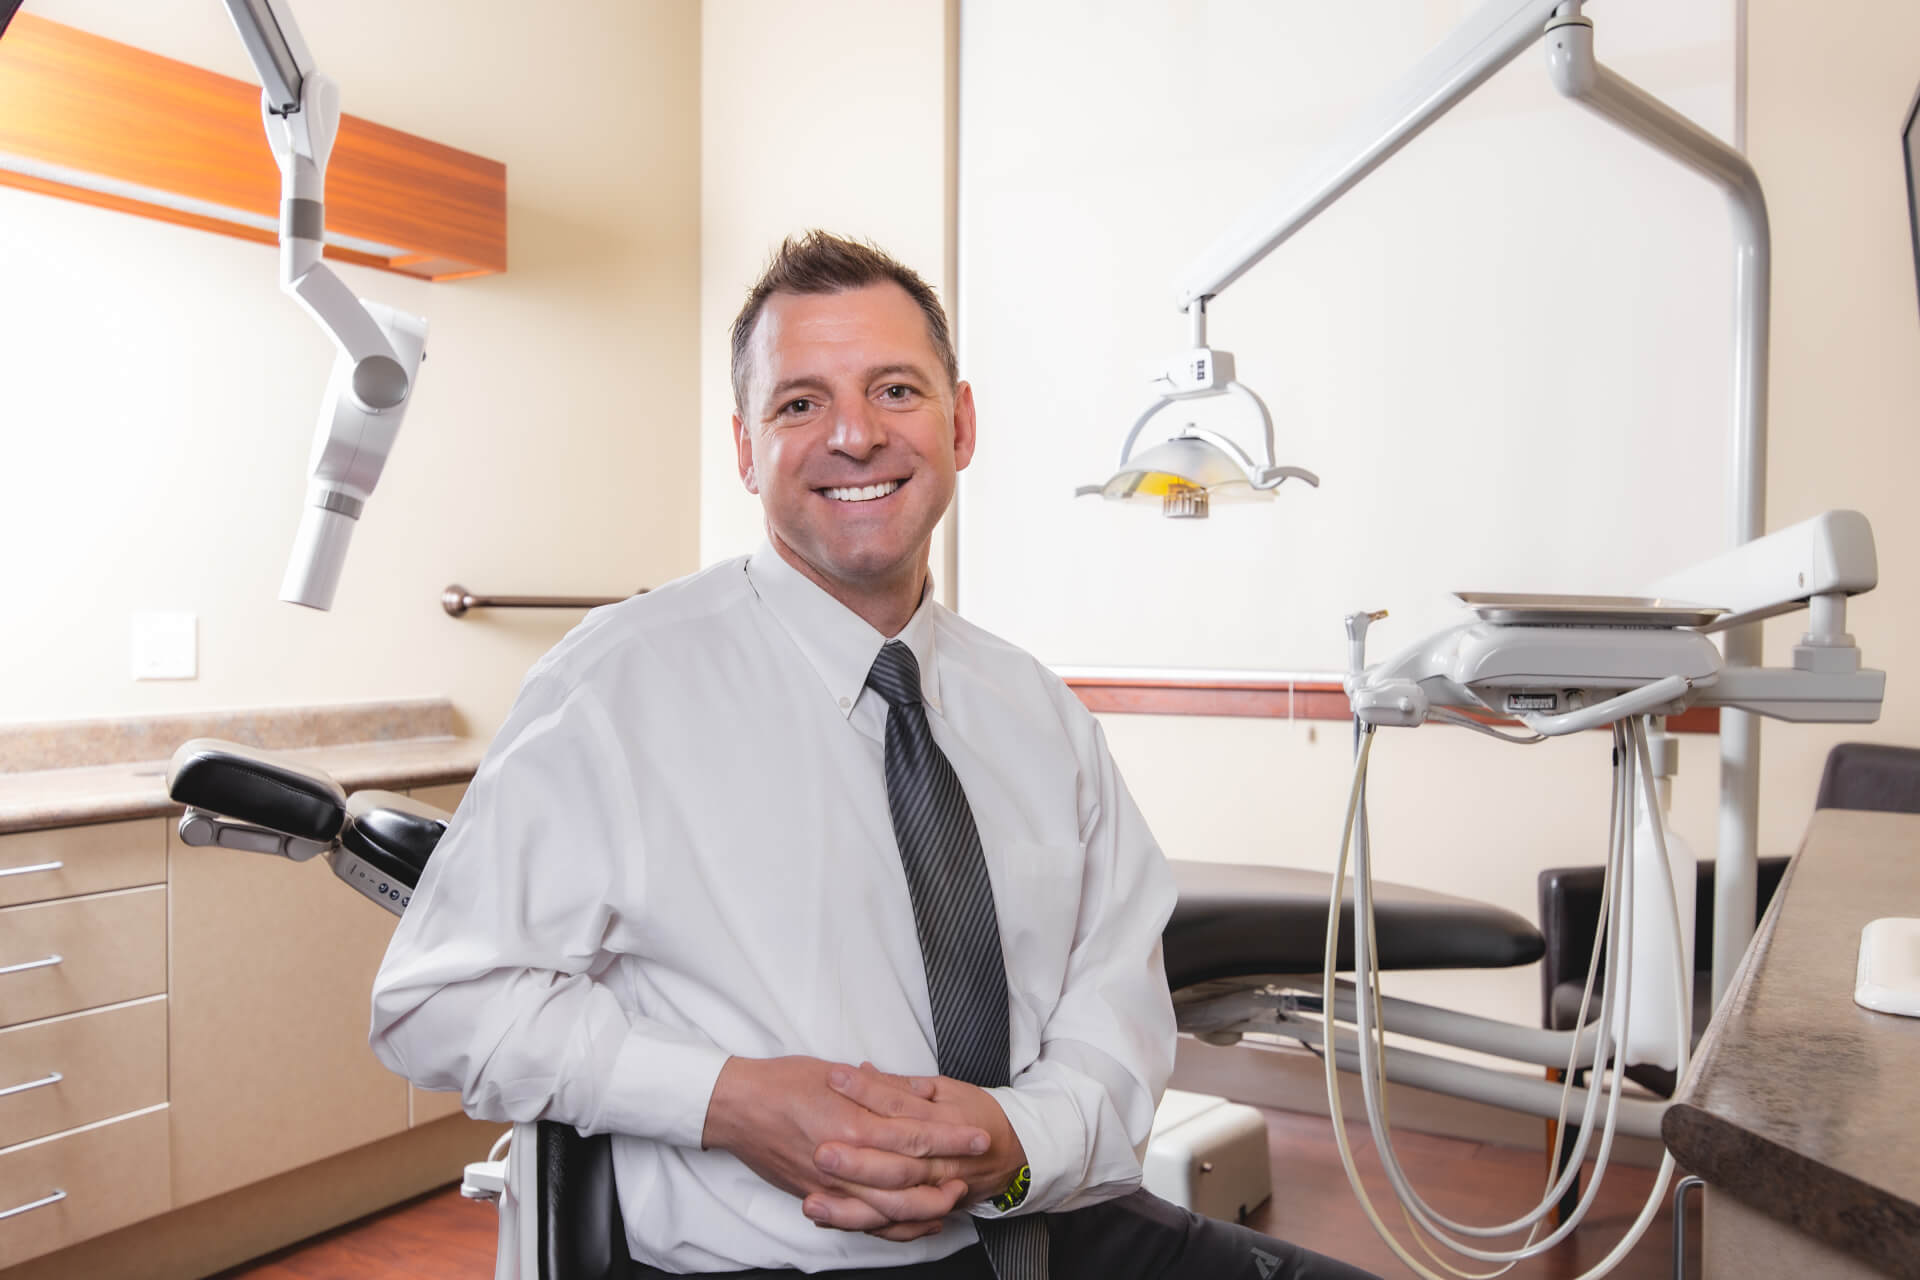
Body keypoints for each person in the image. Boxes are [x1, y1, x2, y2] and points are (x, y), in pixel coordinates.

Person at [370, 232, 1376, 1280]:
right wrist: (729, 1101)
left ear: (961, 423)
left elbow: (1113, 1009)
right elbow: (436, 1002)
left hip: (1053, 1225)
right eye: (799, 403)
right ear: (747, 446)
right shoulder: (615, 691)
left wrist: (1019, 1142)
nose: (855, 434)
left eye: (895, 389)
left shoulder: (1037, 712)